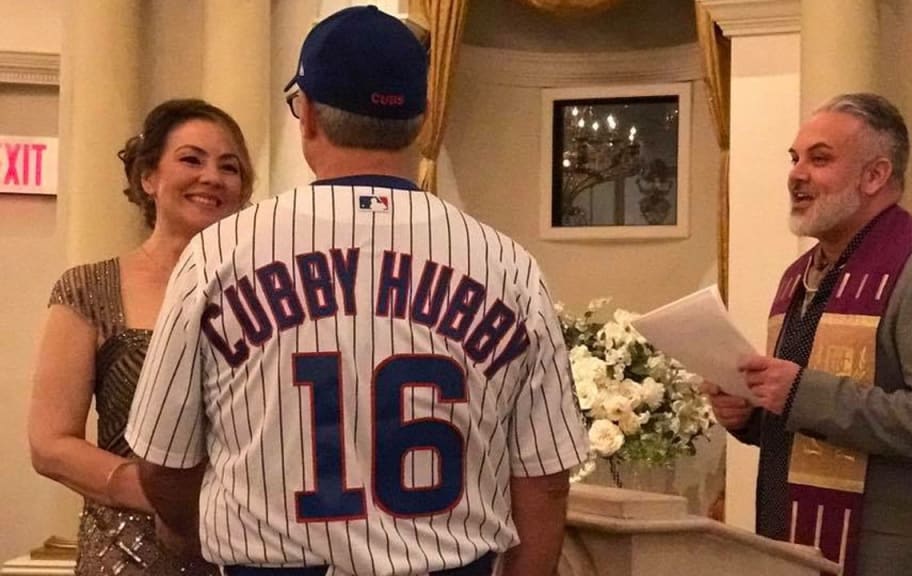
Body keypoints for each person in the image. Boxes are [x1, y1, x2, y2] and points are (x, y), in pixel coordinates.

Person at [124, 6, 589, 576]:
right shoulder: (509, 266)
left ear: (309, 115)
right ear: (419, 121)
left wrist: (202, 539)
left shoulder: (220, 252)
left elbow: (163, 465)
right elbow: (544, 483)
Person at [702, 93, 912, 576]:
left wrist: (800, 391)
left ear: (875, 176)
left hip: (886, 560)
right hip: (787, 548)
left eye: (820, 159)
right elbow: (808, 420)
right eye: (795, 159)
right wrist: (750, 414)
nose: (796, 174)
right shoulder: (798, 276)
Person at [28, 98, 254, 575]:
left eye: (229, 167)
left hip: (244, 552)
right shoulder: (88, 288)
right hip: (127, 557)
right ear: (148, 177)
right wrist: (170, 498)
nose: (212, 176)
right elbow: (50, 444)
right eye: (192, 159)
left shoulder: (266, 292)